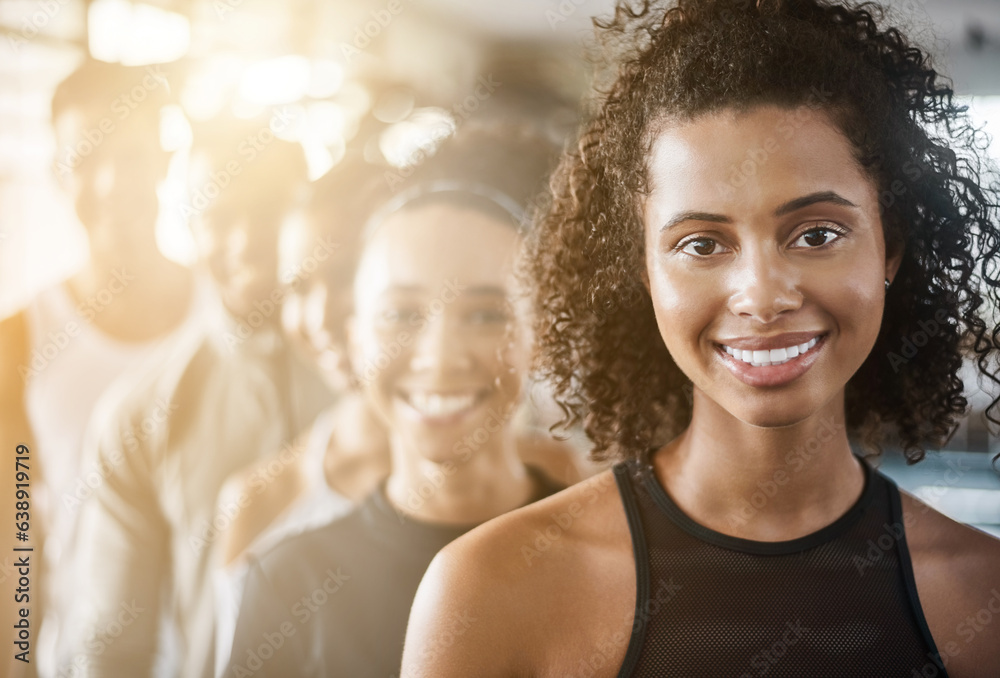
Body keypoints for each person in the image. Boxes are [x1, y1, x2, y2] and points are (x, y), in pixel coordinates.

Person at [401, 1, 1000, 677]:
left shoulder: (983, 600)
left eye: (817, 234)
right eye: (702, 243)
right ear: (645, 270)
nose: (763, 295)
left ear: (890, 245)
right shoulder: (492, 590)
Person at [224, 124, 567, 678]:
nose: (440, 357)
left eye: (486, 315)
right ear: (356, 337)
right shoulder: (286, 584)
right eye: (402, 315)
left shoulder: (616, 554)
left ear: (542, 333)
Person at [61, 121, 333, 678]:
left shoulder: (378, 379)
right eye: (219, 218)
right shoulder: (138, 414)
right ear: (188, 226)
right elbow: (112, 649)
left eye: (269, 209)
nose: (246, 241)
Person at [0, 58, 202, 677]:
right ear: (59, 174)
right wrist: (19, 663)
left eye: (134, 156)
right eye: (86, 158)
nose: (113, 182)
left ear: (168, 162)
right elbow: (16, 536)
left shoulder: (227, 321)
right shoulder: (20, 340)